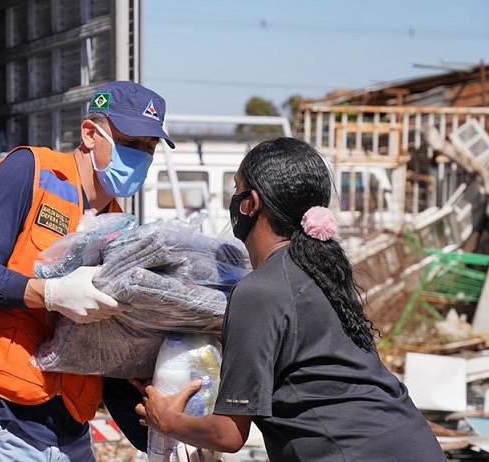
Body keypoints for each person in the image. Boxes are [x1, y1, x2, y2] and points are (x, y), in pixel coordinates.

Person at [133, 137, 446, 461]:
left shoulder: (259, 291)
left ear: (250, 203)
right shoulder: (319, 274)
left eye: (236, 187)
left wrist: (166, 419)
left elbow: (227, 433)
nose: (233, 197)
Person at [0, 81, 175, 461]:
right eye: (132, 144)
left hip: (69, 433)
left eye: (149, 149)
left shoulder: (119, 229)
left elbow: (105, 354)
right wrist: (49, 294)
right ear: (89, 134)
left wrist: (166, 433)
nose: (141, 158)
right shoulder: (32, 171)